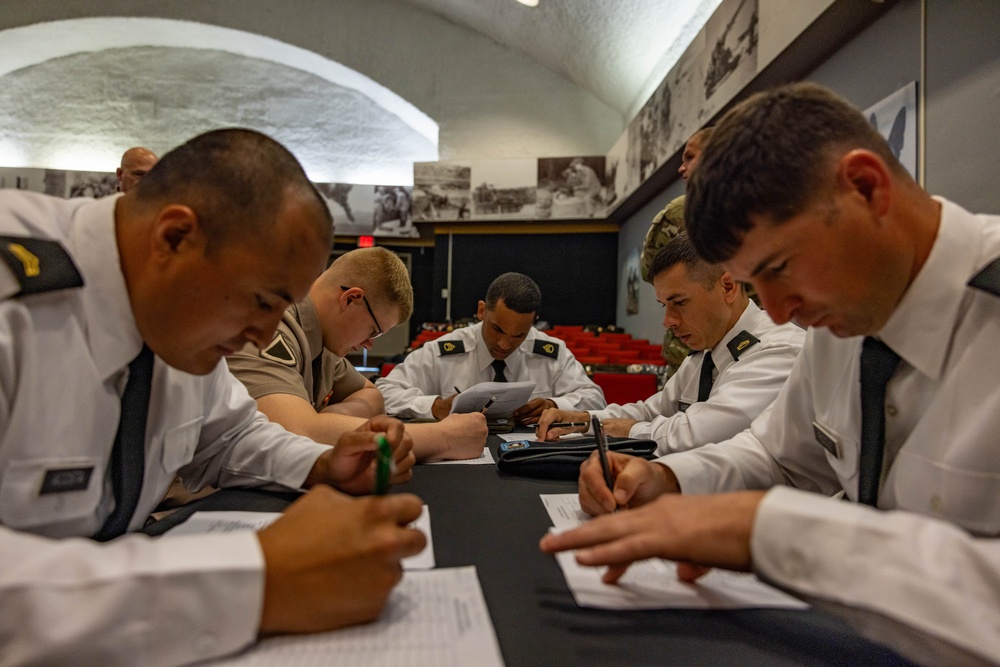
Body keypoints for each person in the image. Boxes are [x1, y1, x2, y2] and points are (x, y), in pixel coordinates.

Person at [540, 82, 1000, 663]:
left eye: (781, 268)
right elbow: (778, 455)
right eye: (760, 284)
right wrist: (673, 482)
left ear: (865, 188)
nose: (779, 312)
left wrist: (771, 532)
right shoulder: (841, 317)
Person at [0, 128, 425, 665]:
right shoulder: (16, 298)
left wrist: (323, 464)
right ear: (176, 237)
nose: (268, 335)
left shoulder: (178, 316)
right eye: (262, 302)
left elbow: (231, 434)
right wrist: (253, 583)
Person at [535, 232, 803, 455]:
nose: (668, 321)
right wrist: (585, 420)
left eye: (680, 303)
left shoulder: (777, 350)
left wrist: (622, 429)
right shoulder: (705, 355)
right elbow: (650, 410)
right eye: (664, 305)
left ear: (728, 287)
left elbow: (699, 435)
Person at [227, 247, 488, 461]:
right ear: (350, 299)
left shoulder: (324, 342)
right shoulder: (269, 326)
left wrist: (329, 419)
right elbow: (297, 433)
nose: (368, 344)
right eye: (373, 331)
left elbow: (373, 396)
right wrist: (442, 439)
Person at [377, 272, 606, 426]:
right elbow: (384, 392)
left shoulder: (551, 353)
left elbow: (595, 399)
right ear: (481, 311)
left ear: (534, 322)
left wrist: (555, 405)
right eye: (497, 329)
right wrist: (434, 406)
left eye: (519, 335)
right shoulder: (444, 352)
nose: (505, 345)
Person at [640, 127, 713, 373]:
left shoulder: (762, 213)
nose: (681, 169)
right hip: (688, 354)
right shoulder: (679, 215)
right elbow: (651, 271)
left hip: (745, 348)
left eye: (690, 158)